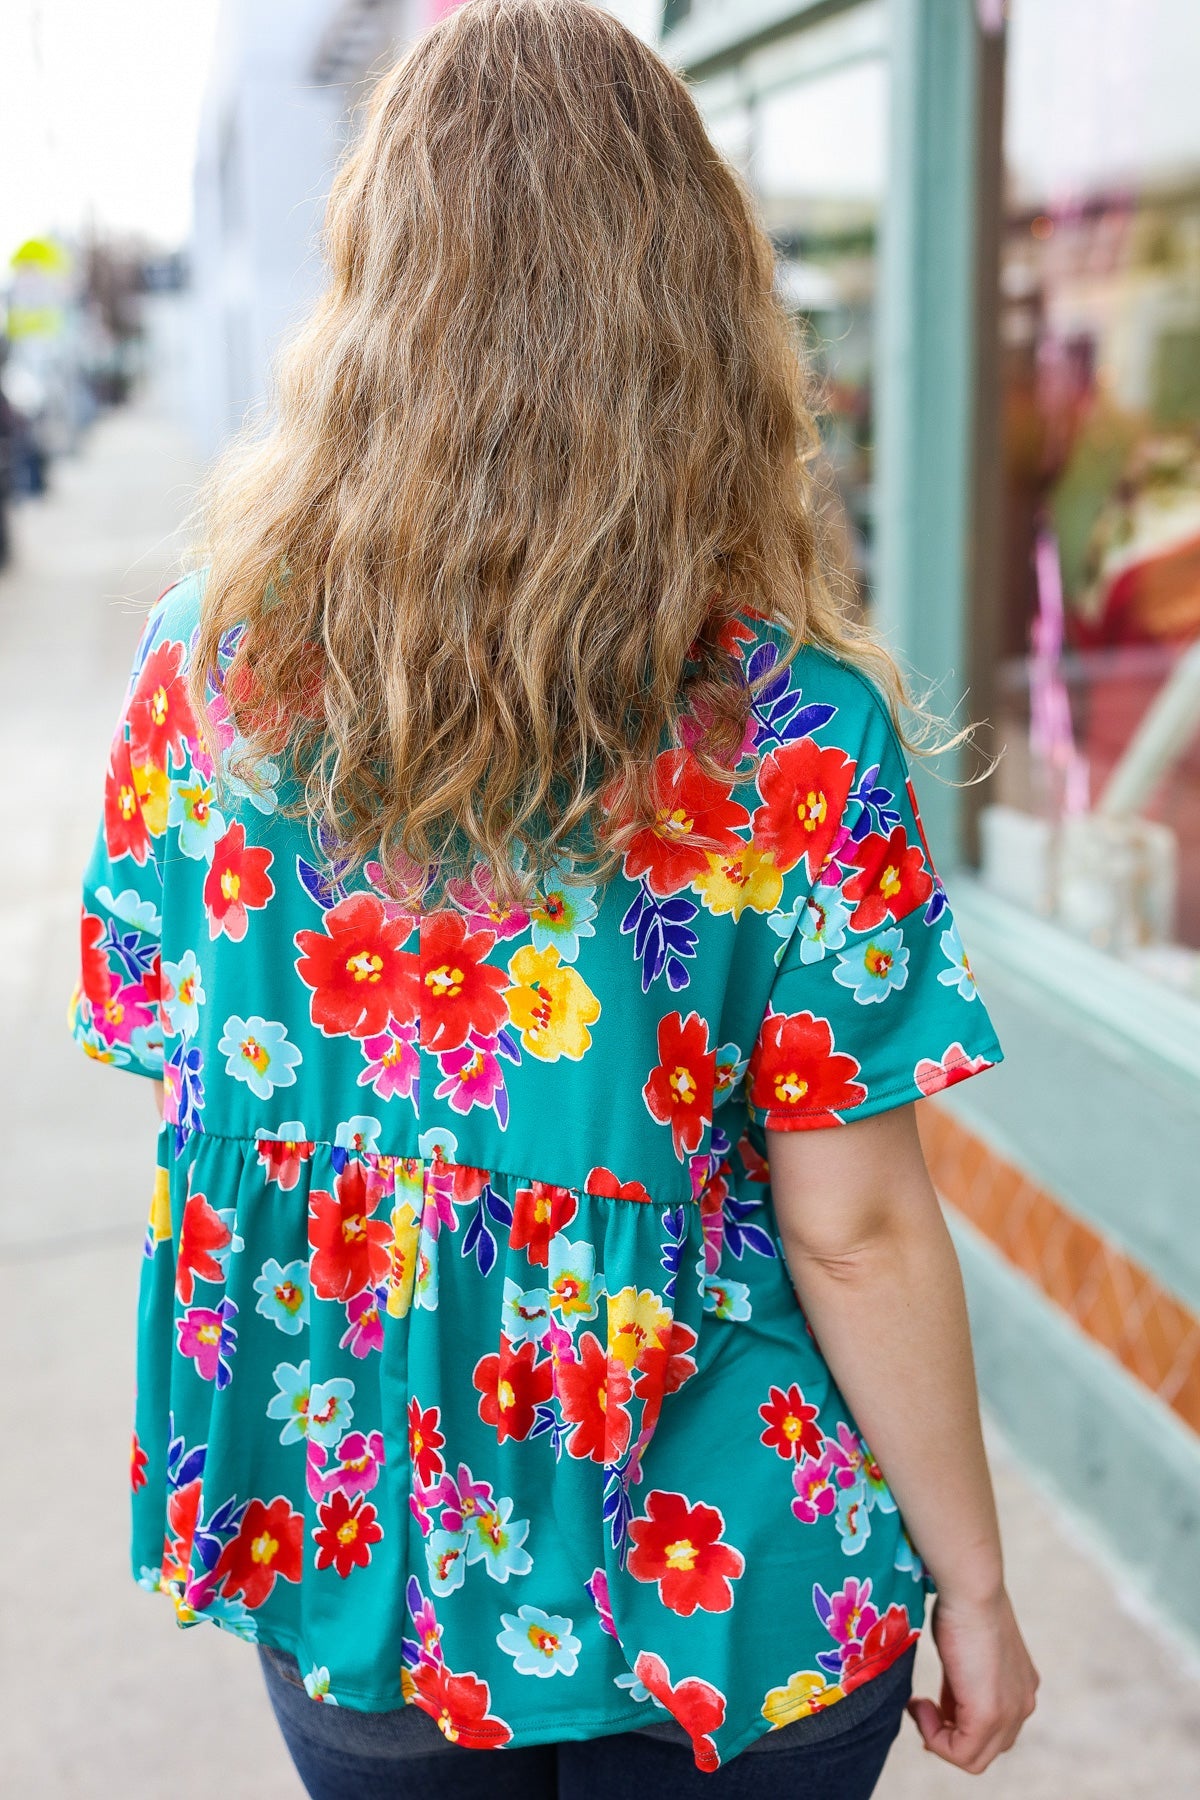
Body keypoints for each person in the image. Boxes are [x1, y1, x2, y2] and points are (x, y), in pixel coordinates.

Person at [70, 2, 1038, 1794]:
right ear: (700, 312)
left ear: (372, 293)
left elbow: (196, 1083)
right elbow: (857, 1226)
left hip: (362, 1526)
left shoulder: (202, 685)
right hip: (726, 1560)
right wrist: (973, 1587)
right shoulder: (795, 731)